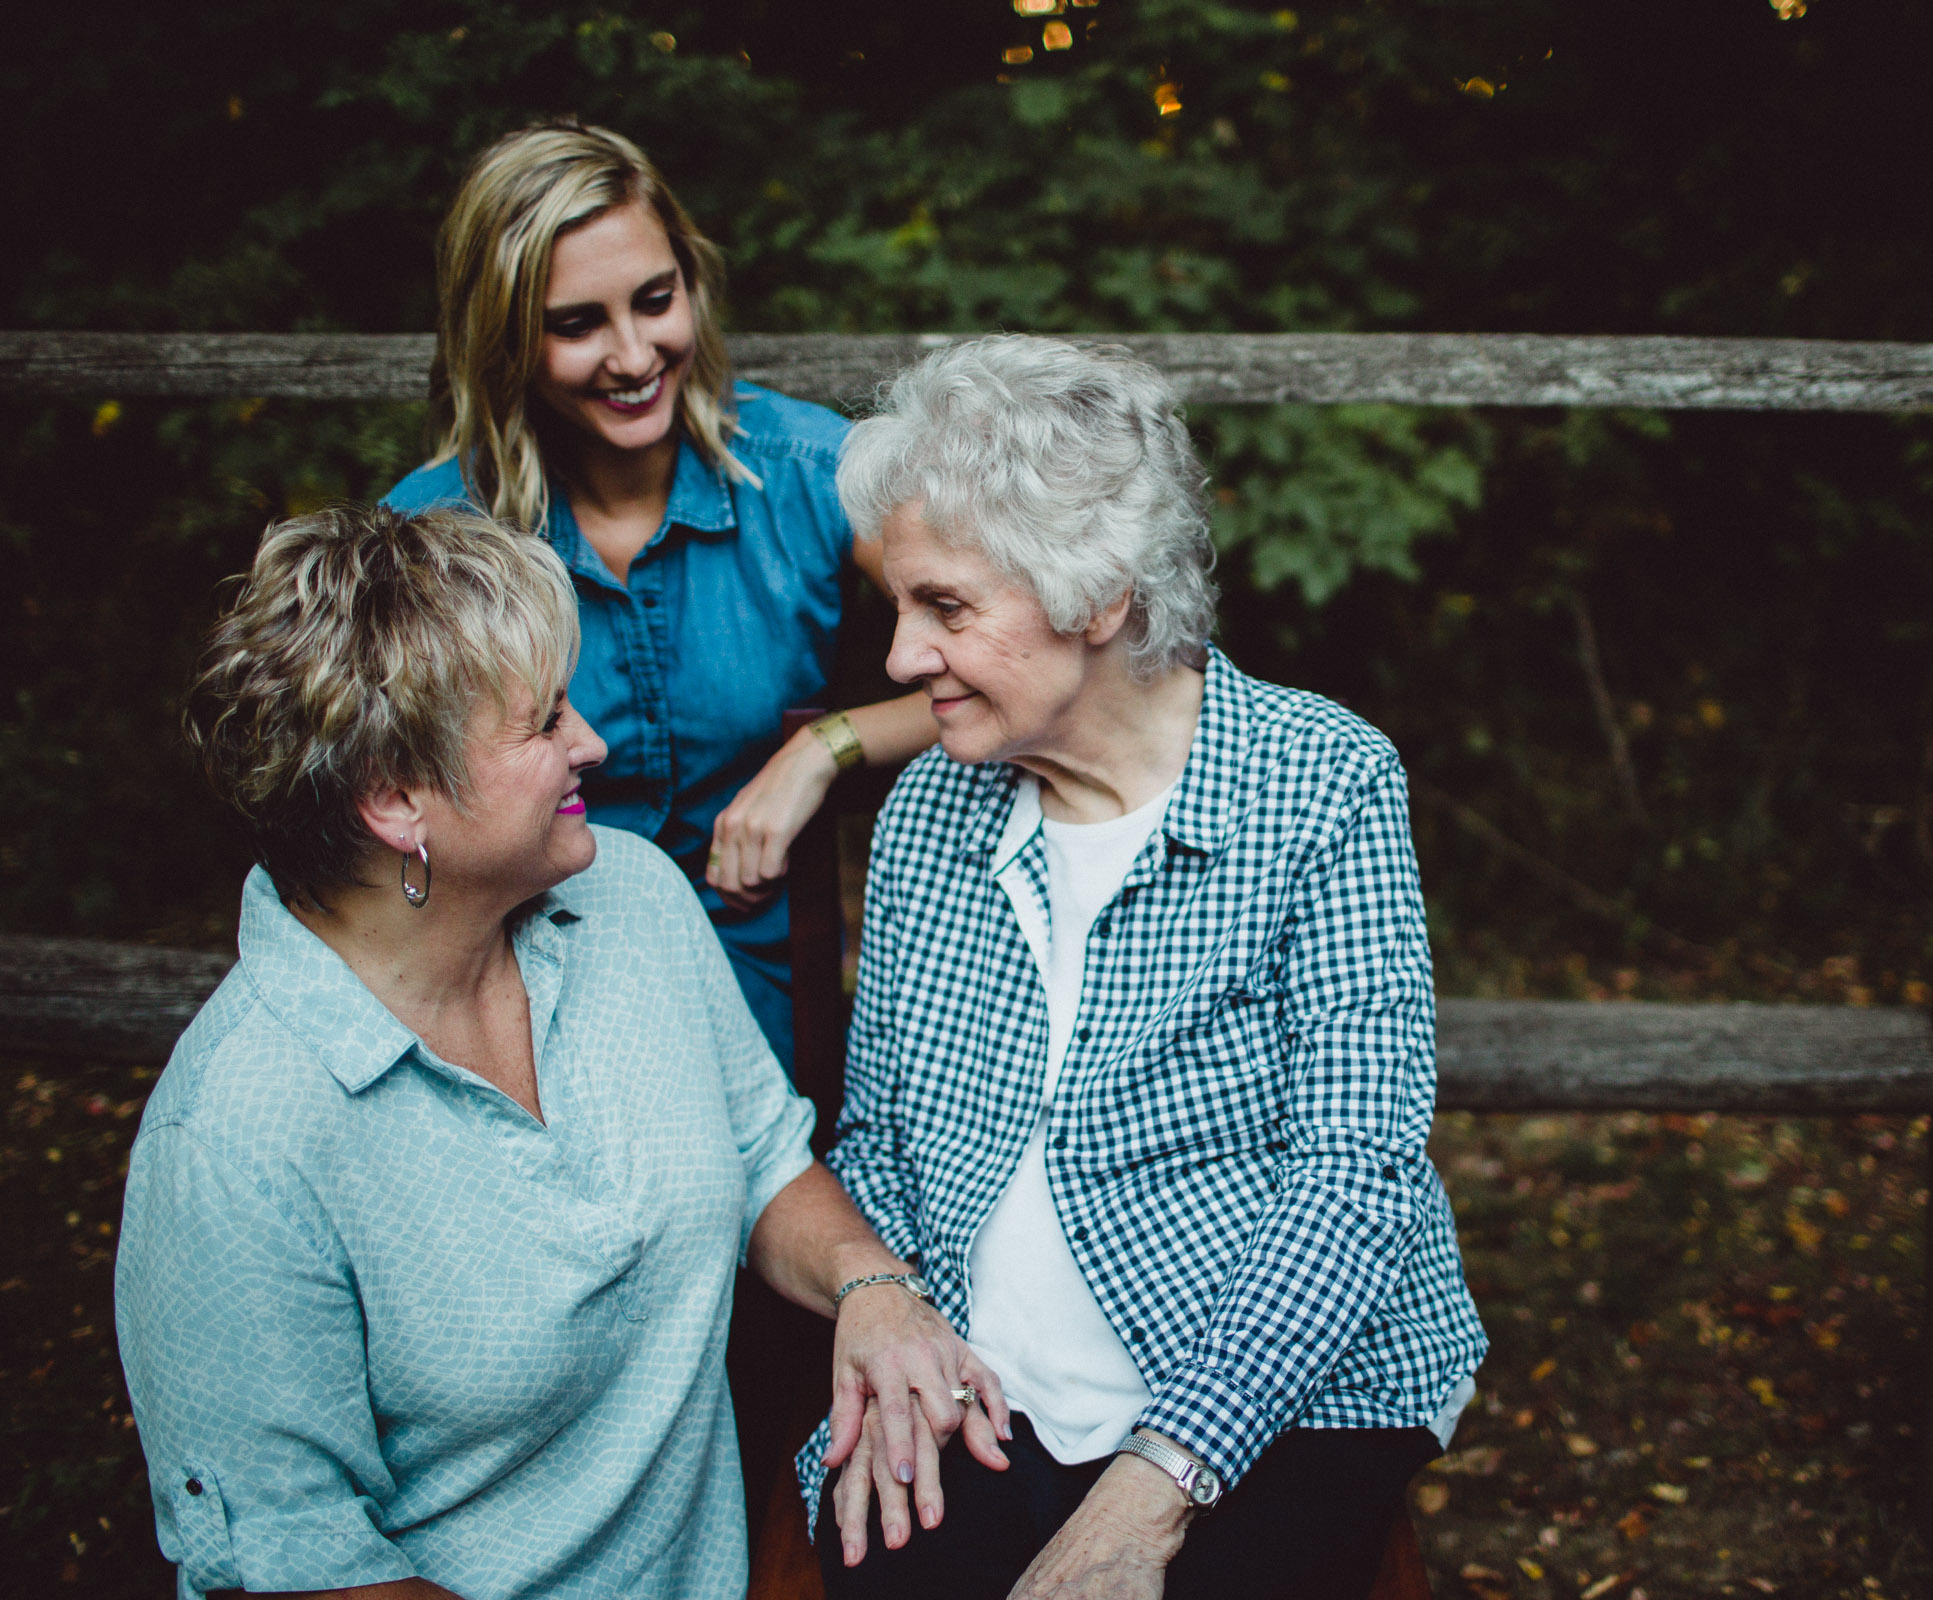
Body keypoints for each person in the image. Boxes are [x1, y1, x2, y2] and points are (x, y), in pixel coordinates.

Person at [116, 503, 1004, 1600]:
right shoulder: (236, 1141)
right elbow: (301, 1571)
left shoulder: (625, 890)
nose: (594, 741)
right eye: (543, 723)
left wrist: (870, 1285)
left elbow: (763, 1158)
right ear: (396, 799)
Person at [802, 336, 1488, 1600]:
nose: (899, 659)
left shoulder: (1319, 782)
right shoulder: (927, 819)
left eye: (945, 608)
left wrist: (1157, 1479)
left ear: (1102, 594)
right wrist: (889, 1305)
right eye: (898, 607)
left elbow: (1356, 1175)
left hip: (1281, 1393)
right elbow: (884, 1135)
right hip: (981, 1391)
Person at [384, 118, 935, 1071]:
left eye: (655, 300)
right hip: (520, 1008)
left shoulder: (811, 474)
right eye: (576, 324)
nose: (635, 356)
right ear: (506, 335)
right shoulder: (434, 538)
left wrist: (829, 745)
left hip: (761, 1007)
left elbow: (1025, 665)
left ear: (692, 283)